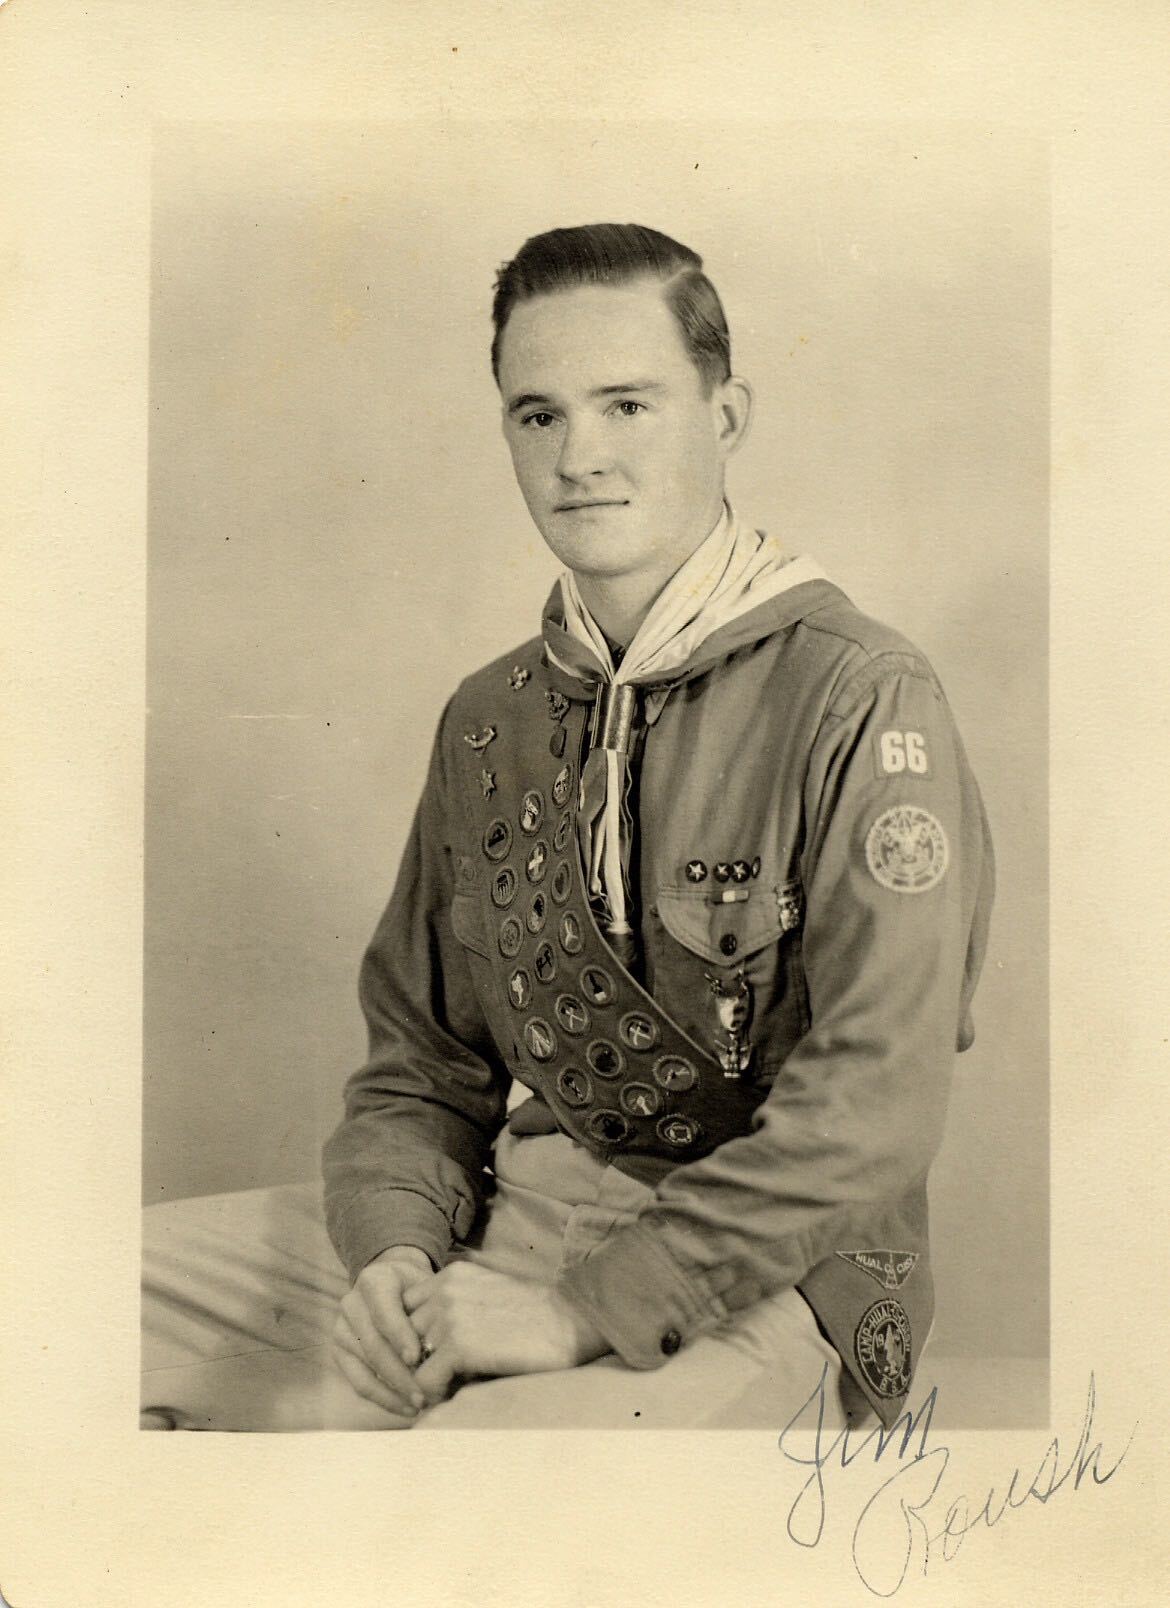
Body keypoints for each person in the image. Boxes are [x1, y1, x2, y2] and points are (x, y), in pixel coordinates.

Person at [140, 222, 993, 1432]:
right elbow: (421, 1065)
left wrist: (581, 1312)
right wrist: (394, 1257)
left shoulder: (858, 695)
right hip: (505, 1225)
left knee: (486, 1485)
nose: (580, 457)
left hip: (762, 1270)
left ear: (727, 414)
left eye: (628, 407)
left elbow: (876, 1110)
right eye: (538, 416)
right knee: (62, 1310)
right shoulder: (491, 717)